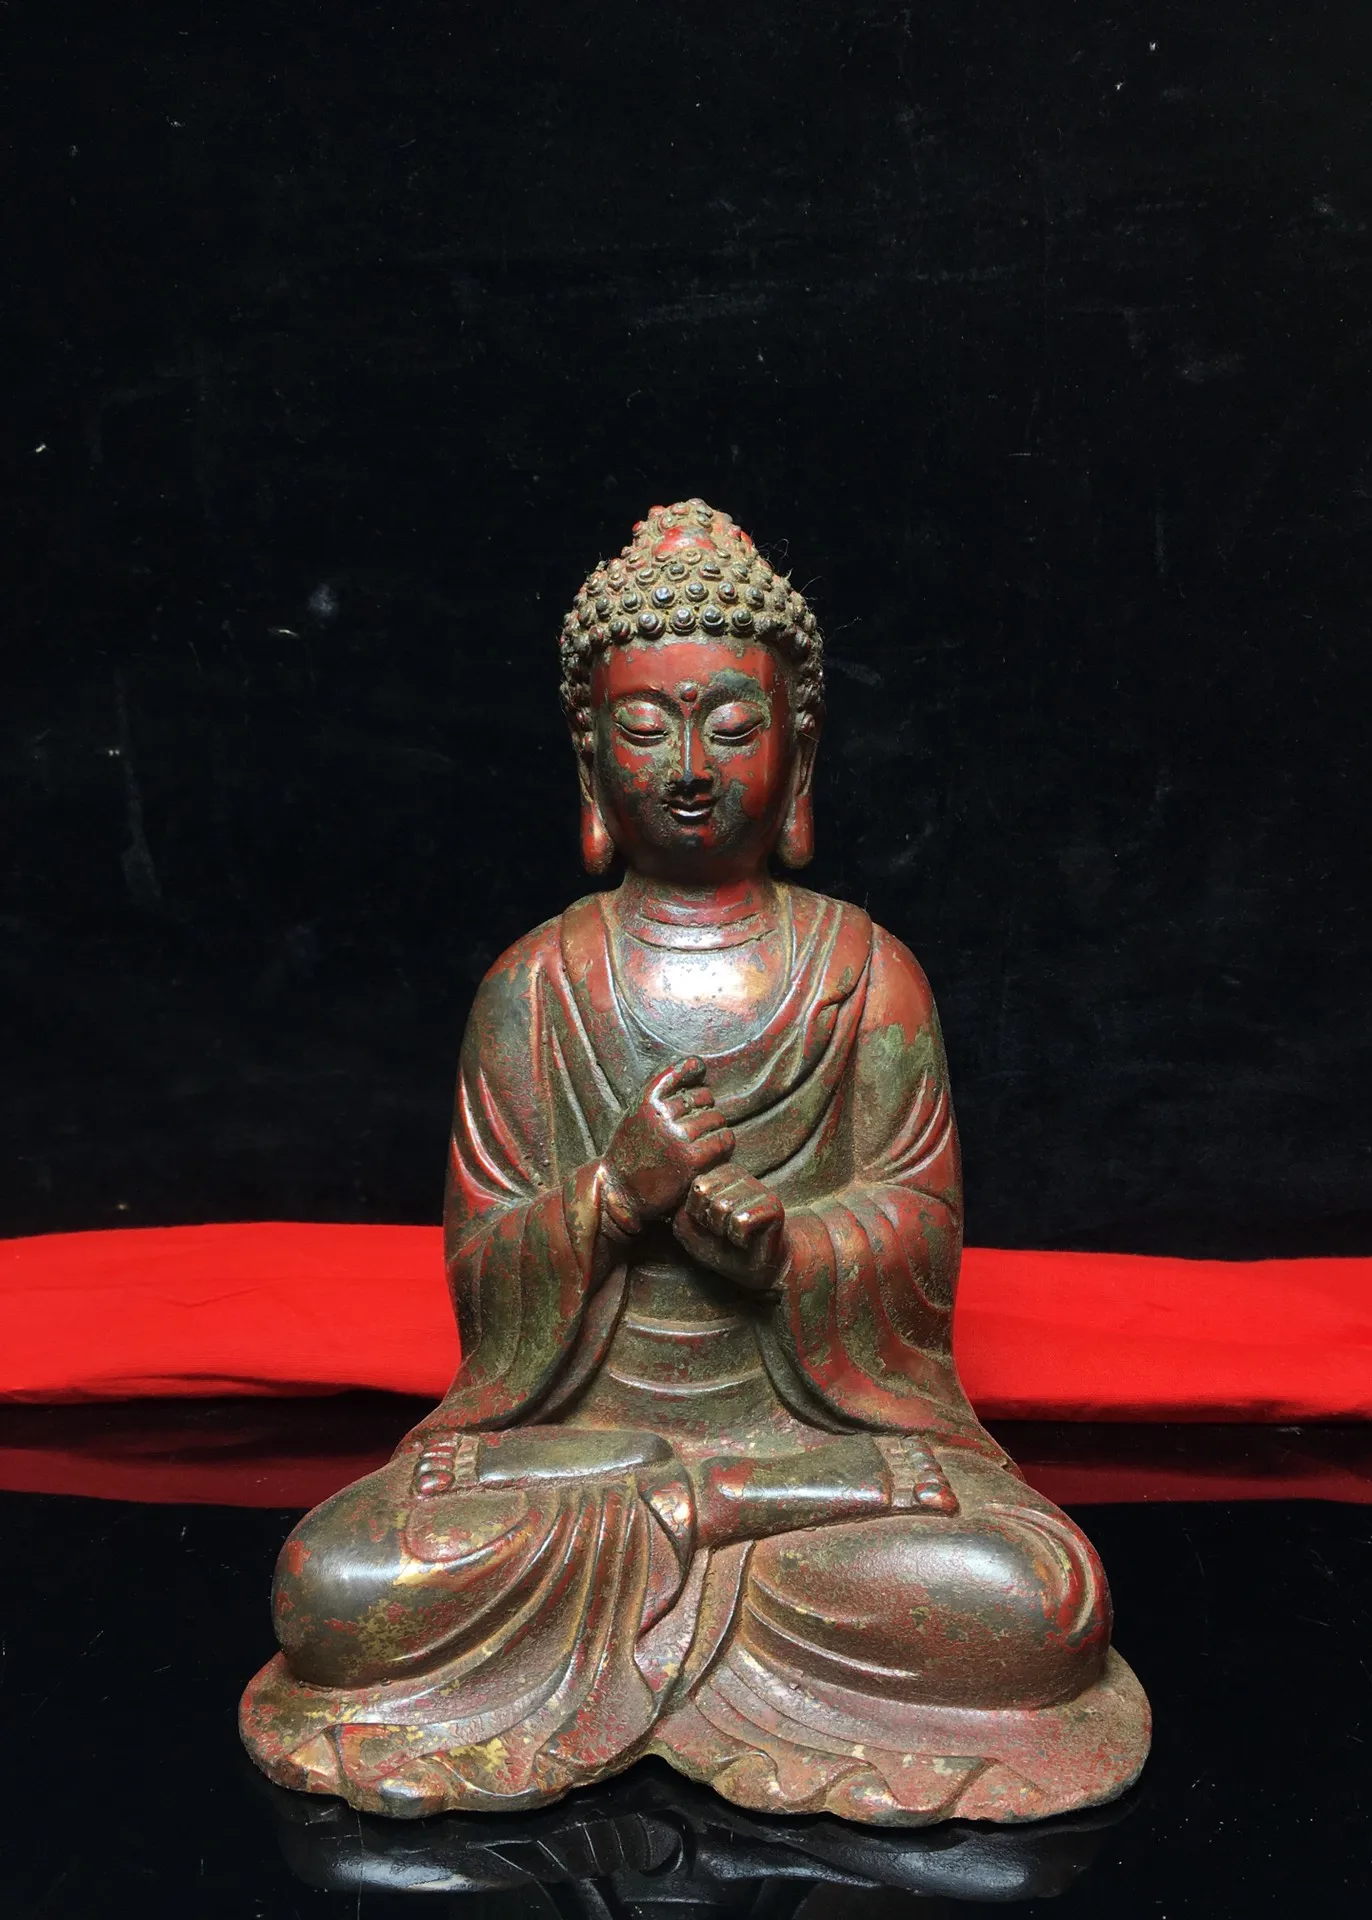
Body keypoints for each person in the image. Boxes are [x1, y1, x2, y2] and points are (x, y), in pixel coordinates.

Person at [241, 499, 1149, 1824]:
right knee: (333, 1588)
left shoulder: (869, 977)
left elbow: (918, 1239)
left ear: (799, 744)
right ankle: (710, 1516)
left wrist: (785, 1245)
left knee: (1036, 1602)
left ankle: (711, 1517)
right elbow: (486, 1276)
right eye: (642, 727)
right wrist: (615, 1198)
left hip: (813, 1451)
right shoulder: (534, 989)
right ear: (587, 752)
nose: (687, 765)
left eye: (730, 724)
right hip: (581, 1457)